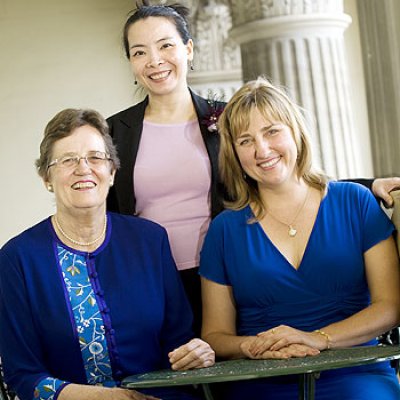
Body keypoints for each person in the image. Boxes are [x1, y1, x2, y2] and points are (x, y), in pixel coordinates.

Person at [106, 2, 400, 337]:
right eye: (140, 52)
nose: (155, 60)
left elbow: (281, 173)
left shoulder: (230, 119)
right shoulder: (115, 132)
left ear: (188, 49)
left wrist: (368, 184)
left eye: (166, 45)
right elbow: (108, 213)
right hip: (152, 281)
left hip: (226, 272)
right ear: (131, 62)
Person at [199, 77, 400, 400]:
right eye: (245, 140)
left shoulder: (355, 201)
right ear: (234, 153)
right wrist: (248, 346)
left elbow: (390, 306)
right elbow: (215, 334)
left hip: (355, 371)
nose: (262, 150)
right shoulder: (224, 230)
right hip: (262, 379)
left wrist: (319, 338)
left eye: (272, 131)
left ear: (295, 132)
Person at [0, 108, 215, 400]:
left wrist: (196, 352)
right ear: (46, 178)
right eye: (67, 160)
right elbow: (23, 375)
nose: (83, 168)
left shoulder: (150, 240)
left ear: (112, 172)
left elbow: (179, 342)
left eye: (95, 157)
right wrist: (108, 398)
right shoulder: (16, 260)